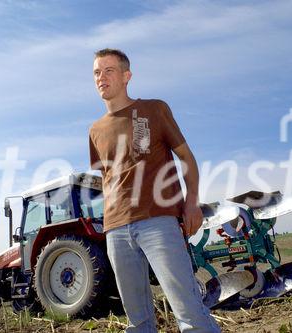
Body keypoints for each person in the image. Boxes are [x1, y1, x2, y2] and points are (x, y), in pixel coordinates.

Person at [88, 48, 221, 333]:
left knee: (188, 311)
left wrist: (192, 202)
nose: (101, 77)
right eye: (97, 72)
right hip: (116, 230)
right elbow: (108, 177)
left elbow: (187, 158)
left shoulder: (154, 109)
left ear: (127, 76)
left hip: (158, 221)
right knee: (138, 321)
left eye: (109, 70)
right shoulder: (95, 130)